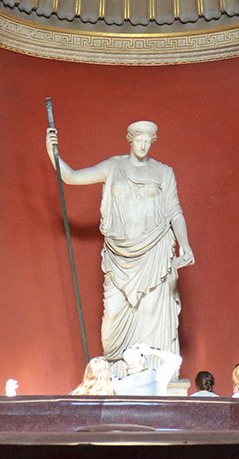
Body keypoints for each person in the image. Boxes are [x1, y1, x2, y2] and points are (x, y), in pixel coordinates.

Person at [45, 121, 194, 370]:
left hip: (154, 250)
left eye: (148, 141)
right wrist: (52, 151)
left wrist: (184, 244)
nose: (144, 146)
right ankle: (116, 368)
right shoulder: (113, 167)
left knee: (151, 314)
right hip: (120, 255)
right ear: (130, 140)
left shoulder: (164, 173)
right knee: (113, 317)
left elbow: (175, 212)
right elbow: (71, 177)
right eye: (139, 140)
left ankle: (155, 371)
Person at [111, 343, 183, 396]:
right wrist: (151, 351)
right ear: (143, 360)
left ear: (124, 365)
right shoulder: (157, 376)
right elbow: (176, 359)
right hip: (156, 416)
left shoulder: (117, 385)